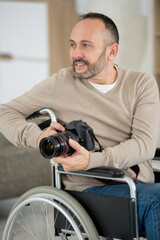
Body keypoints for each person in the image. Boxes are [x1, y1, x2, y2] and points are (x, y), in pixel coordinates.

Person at [0, 12, 159, 239]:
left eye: (86, 45)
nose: (76, 54)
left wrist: (92, 159)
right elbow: (5, 112)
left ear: (111, 51)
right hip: (89, 190)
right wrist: (37, 137)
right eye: (73, 45)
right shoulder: (61, 83)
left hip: (137, 184)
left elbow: (144, 145)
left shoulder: (140, 83)